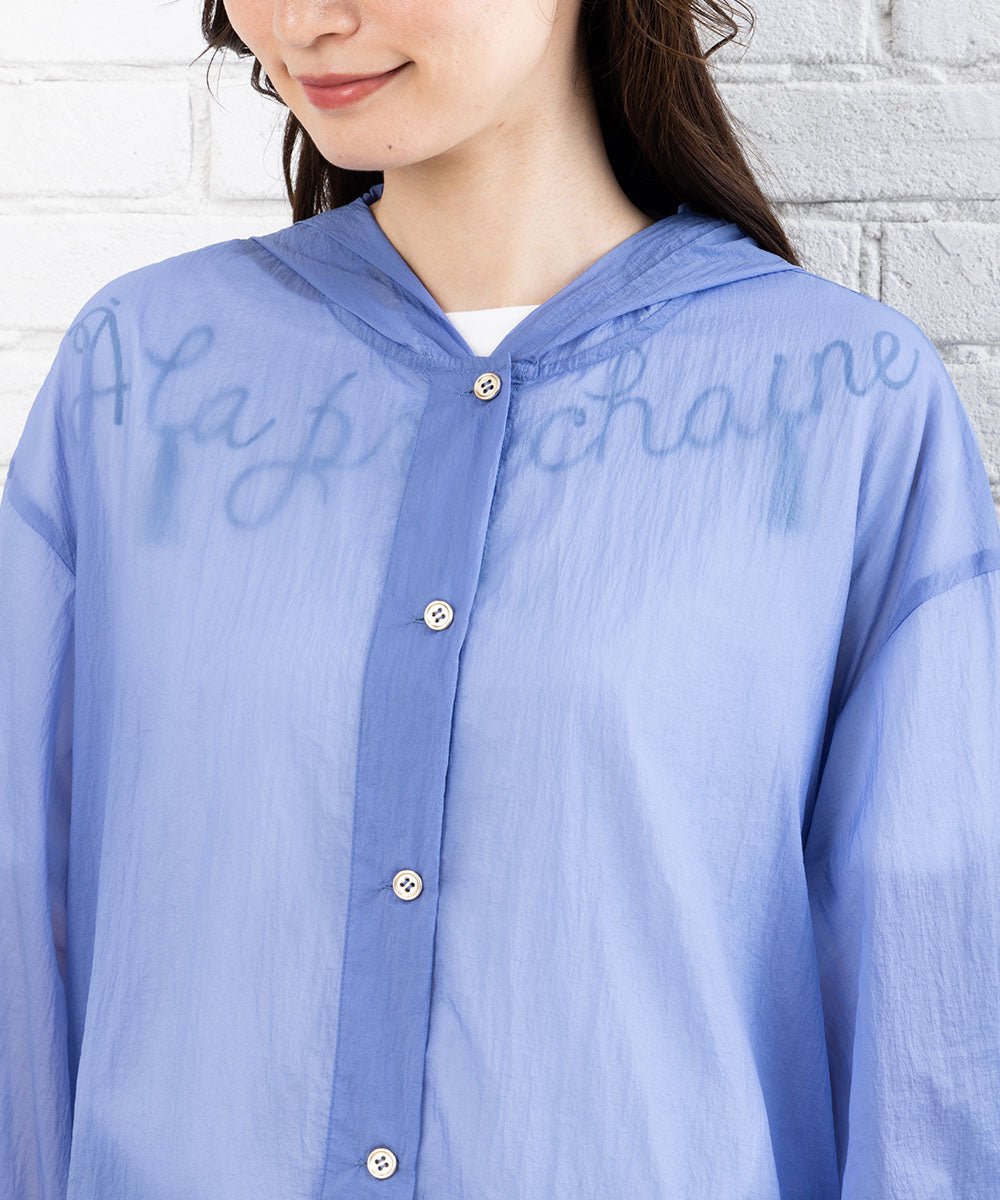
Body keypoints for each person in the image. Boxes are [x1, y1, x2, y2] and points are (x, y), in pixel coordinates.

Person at [2, 0, 998, 1197]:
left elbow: (924, 1015)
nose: (305, 20)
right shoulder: (139, 374)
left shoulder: (844, 401)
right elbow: (24, 916)